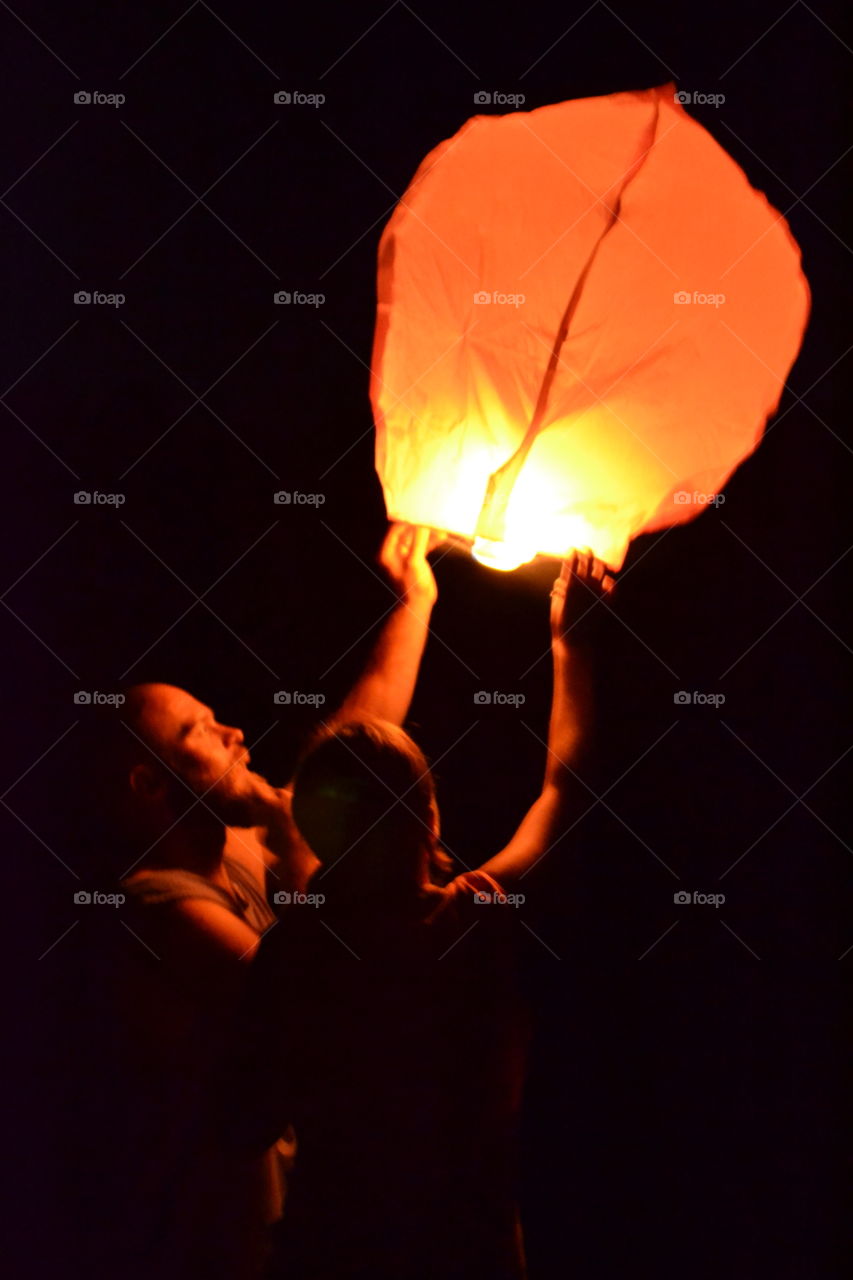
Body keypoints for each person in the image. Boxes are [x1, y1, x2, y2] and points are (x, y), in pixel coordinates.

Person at [65, 523, 439, 1280]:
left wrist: (414, 602)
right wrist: (297, 841)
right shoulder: (153, 908)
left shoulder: (229, 850)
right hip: (208, 1250)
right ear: (149, 784)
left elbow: (352, 741)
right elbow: (310, 988)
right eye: (200, 732)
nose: (235, 731)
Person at [229, 551, 615, 1280]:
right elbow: (566, 789)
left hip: (328, 1250)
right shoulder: (470, 921)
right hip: (465, 1250)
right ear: (431, 818)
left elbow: (241, 1120)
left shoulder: (296, 952)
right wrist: (574, 642)